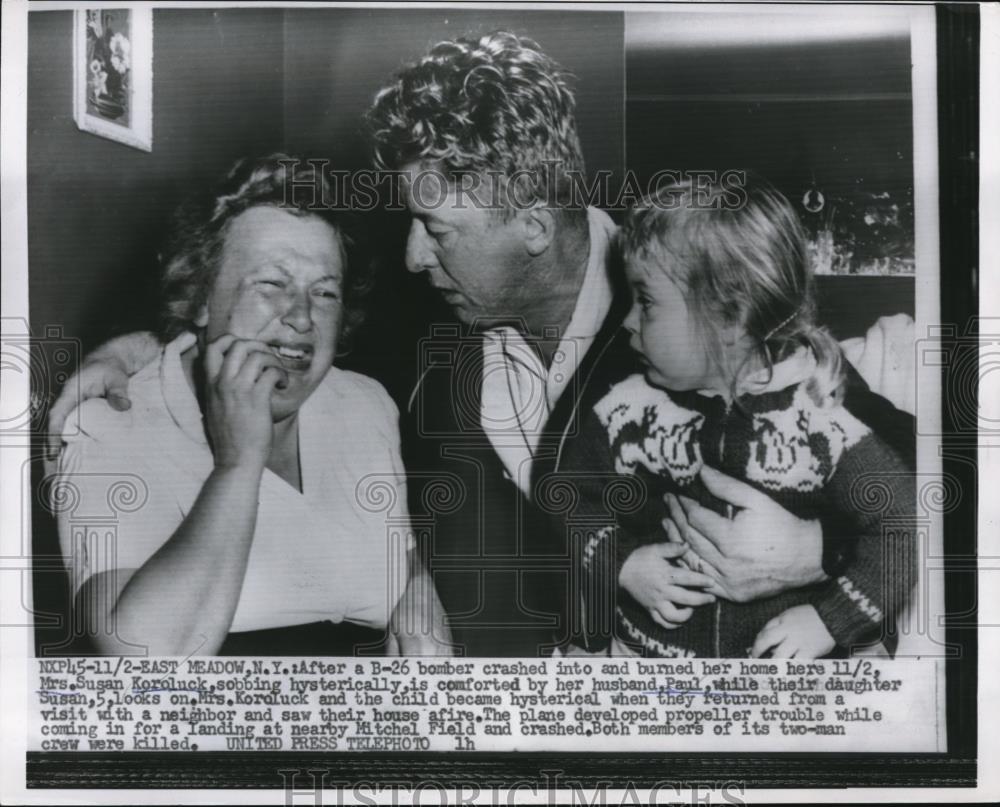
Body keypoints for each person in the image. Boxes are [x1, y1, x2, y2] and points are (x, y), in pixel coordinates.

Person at [47, 32, 914, 657]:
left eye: (438, 227)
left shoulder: (697, 302)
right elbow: (285, 338)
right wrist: (136, 346)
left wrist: (820, 551)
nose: (415, 256)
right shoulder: (433, 341)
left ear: (534, 225)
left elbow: (917, 479)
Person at [50, 155, 451, 657]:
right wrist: (237, 465)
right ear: (199, 297)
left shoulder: (364, 404)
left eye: (325, 292)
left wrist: (416, 590)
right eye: (272, 284)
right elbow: (145, 664)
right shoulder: (108, 425)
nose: (303, 318)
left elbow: (397, 554)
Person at [565, 178, 916, 658]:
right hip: (647, 676)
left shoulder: (822, 420)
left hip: (777, 690)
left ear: (729, 317)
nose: (627, 321)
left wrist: (830, 620)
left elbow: (904, 525)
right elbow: (565, 494)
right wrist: (622, 564)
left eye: (645, 302)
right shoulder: (625, 408)